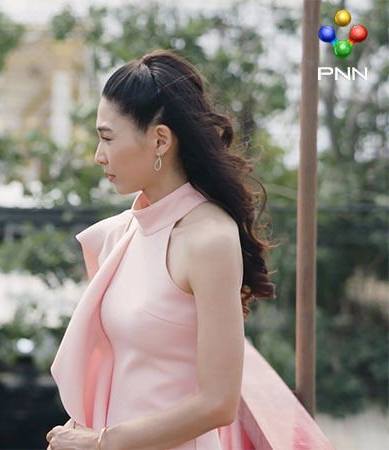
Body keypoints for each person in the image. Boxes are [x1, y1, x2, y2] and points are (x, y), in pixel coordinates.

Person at [46, 50, 275, 449]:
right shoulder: (123, 232)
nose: (99, 155)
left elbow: (219, 403)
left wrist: (100, 442)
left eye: (107, 138)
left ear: (160, 140)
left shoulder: (209, 238)